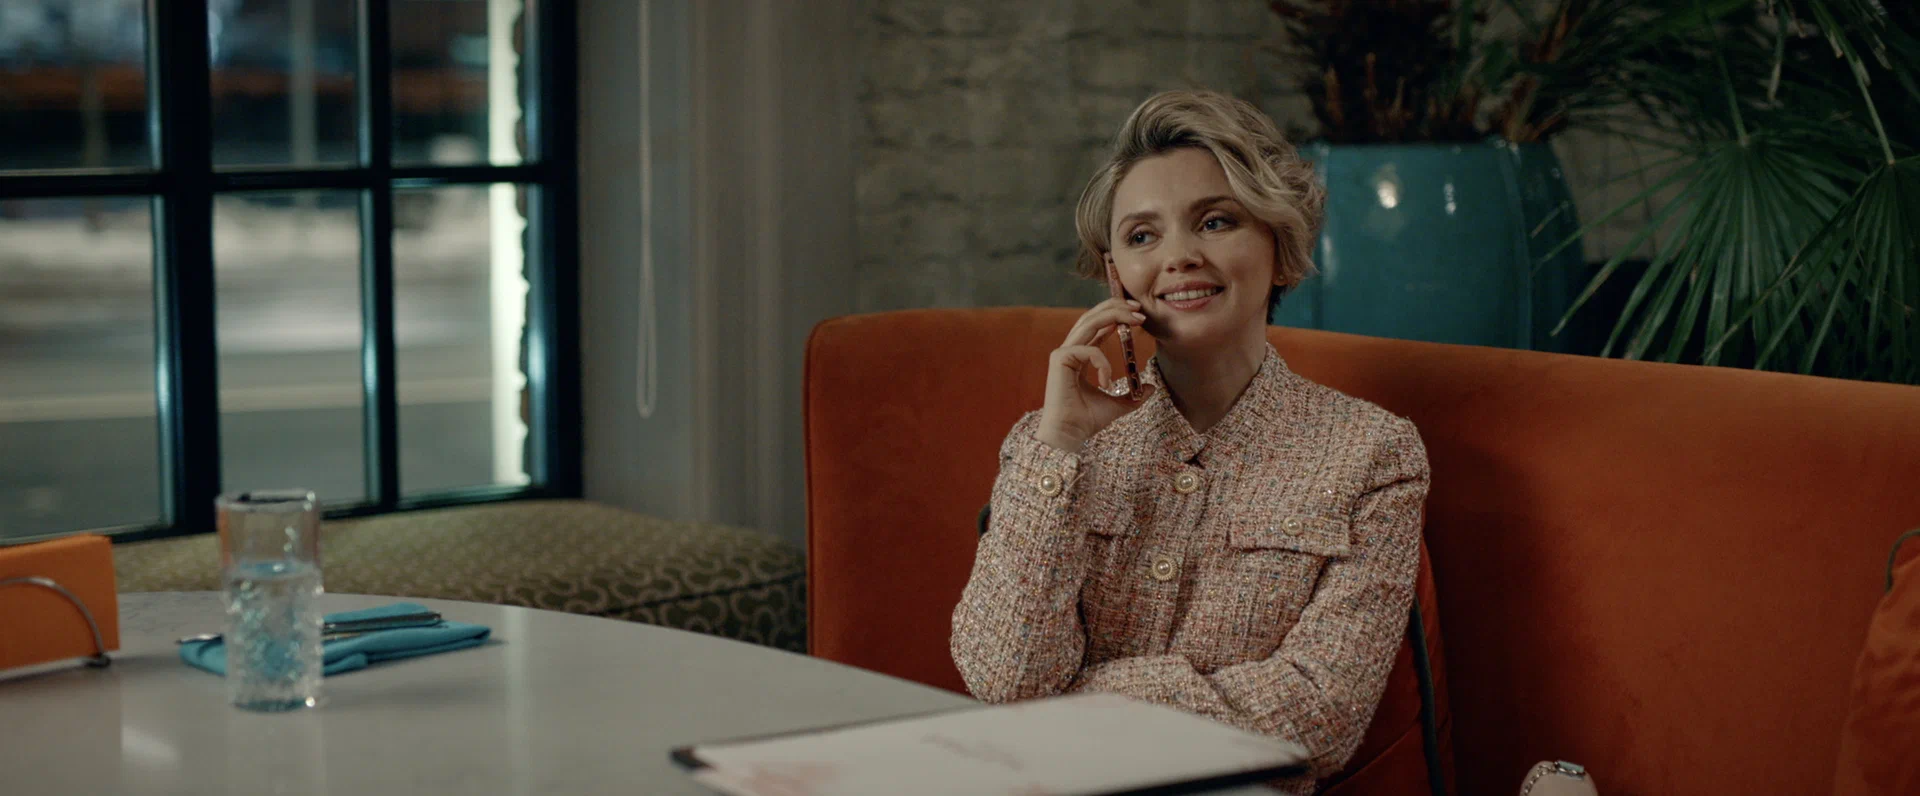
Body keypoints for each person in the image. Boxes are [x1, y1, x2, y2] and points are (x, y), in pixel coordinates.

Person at [950, 89, 1432, 793]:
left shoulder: (1374, 454)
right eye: (1142, 236)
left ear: (1281, 248)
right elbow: (1004, 679)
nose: (1177, 256)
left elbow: (1320, 716)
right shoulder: (1048, 446)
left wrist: (1079, 699)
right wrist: (1061, 444)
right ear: (1115, 275)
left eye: (1215, 221)